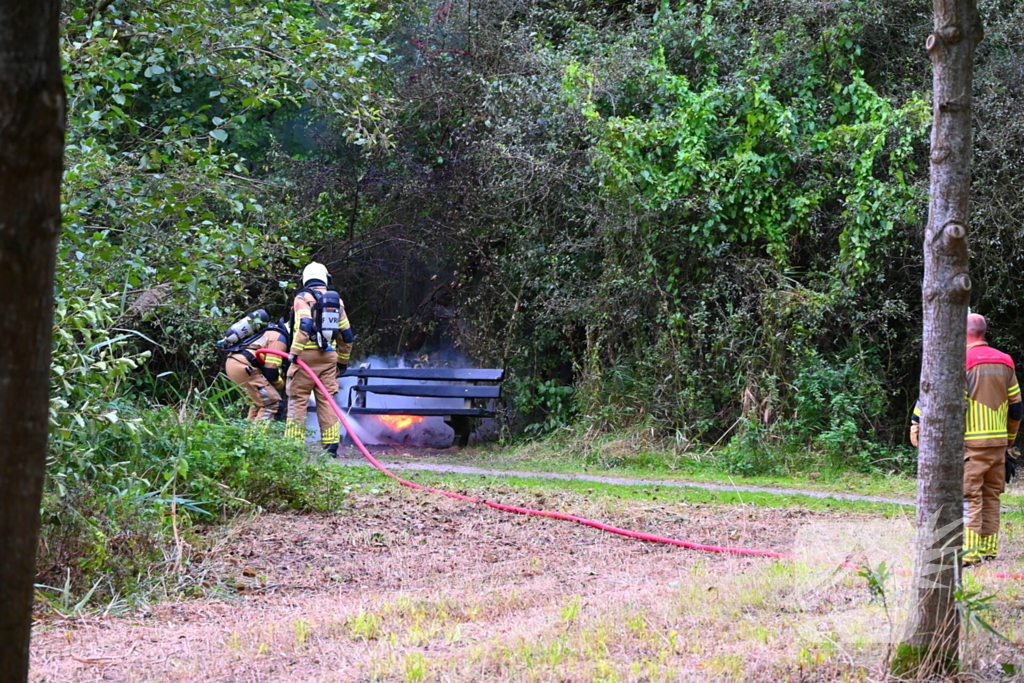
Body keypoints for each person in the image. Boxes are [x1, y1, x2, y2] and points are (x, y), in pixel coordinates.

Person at [910, 313, 1021, 564]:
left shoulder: (959, 361)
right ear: (983, 332)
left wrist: (917, 427)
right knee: (991, 496)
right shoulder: (1005, 361)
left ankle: (969, 554)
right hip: (998, 444)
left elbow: (940, 401)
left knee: (968, 498)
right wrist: (1009, 439)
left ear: (962, 331)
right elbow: (1016, 408)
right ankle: (988, 551)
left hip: (969, 445)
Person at [284, 262, 354, 455]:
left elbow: (305, 325)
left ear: (305, 279)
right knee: (327, 400)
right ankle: (331, 446)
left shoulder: (302, 298)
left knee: (298, 399)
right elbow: (347, 335)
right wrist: (342, 362)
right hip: (328, 359)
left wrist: (294, 353)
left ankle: (293, 446)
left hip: (304, 359)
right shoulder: (337, 302)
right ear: (326, 278)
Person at [220, 310, 289, 424]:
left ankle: (248, 434)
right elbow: (271, 371)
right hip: (243, 366)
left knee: (257, 403)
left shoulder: (268, 331)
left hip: (234, 362)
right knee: (273, 404)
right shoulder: (279, 338)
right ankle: (259, 435)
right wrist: (280, 384)